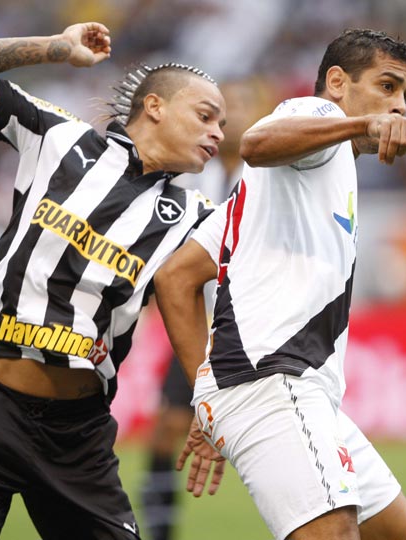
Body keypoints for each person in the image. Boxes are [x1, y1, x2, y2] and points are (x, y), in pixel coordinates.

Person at [0, 22, 227, 540]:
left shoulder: (197, 217)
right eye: (205, 116)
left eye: (221, 124)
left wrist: (209, 407)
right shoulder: (58, 137)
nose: (218, 133)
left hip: (76, 437)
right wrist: (56, 49)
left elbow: (196, 303)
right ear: (155, 106)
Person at [153, 29, 406, 540]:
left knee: (399, 533)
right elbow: (256, 144)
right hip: (275, 380)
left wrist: (207, 401)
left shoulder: (272, 190)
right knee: (333, 533)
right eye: (387, 86)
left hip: (298, 389)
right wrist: (361, 122)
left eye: (405, 94)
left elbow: (176, 277)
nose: (398, 106)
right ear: (337, 82)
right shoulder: (317, 115)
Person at [140, 77, 275, 540]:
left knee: (270, 444)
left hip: (255, 332)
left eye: (241, 107)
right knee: (167, 430)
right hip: (204, 327)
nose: (230, 119)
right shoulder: (193, 174)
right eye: (219, 111)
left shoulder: (271, 178)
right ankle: (160, 533)